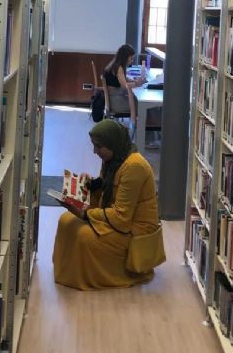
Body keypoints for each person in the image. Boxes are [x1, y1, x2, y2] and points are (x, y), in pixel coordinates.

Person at [52, 119, 162, 290]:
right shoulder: (113, 159)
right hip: (119, 221)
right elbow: (107, 189)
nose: (95, 151)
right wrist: (90, 185)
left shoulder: (135, 167)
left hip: (134, 231)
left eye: (98, 146)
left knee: (84, 236)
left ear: (112, 143)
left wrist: (85, 213)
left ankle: (85, 277)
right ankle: (68, 274)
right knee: (66, 220)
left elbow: (121, 218)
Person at [102, 43, 145, 122]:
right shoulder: (119, 68)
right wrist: (137, 83)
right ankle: (139, 127)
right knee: (141, 105)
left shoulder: (115, 64)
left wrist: (134, 81)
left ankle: (136, 125)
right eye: (131, 58)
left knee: (136, 100)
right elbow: (125, 86)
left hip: (113, 99)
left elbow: (123, 79)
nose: (132, 61)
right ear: (125, 57)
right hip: (116, 103)